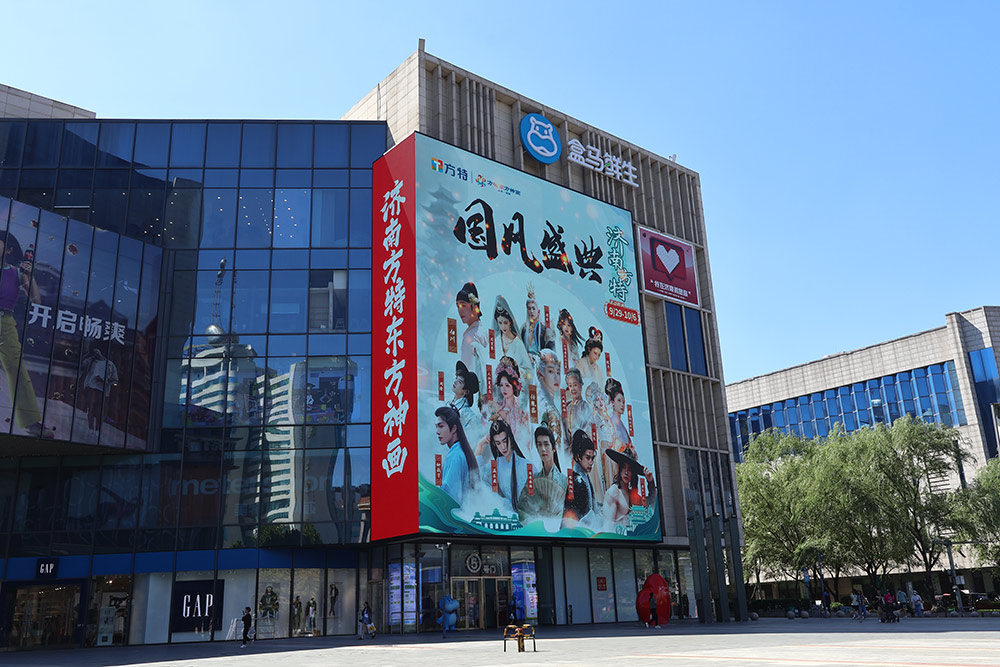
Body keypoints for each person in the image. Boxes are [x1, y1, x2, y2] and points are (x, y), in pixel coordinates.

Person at [0, 232, 52, 439]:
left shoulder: (16, 273)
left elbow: (36, 300)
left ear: (9, 249)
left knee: (16, 370)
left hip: (5, 322)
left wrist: (29, 277)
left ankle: (31, 422)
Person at [517, 425, 568, 522]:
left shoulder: (564, 481)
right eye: (539, 445)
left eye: (546, 444)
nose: (543, 449)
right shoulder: (532, 480)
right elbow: (523, 510)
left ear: (554, 448)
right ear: (537, 448)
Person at [435, 405, 480, 504]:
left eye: (441, 426)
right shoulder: (461, 451)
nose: (437, 432)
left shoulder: (455, 456)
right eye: (436, 427)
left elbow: (449, 497)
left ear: (454, 428)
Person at [602, 448, 655, 531]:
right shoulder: (613, 492)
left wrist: (650, 482)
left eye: (630, 469)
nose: (626, 472)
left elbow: (652, 506)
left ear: (633, 473)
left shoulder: (632, 495)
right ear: (620, 469)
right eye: (623, 467)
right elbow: (607, 526)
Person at [483, 419, 529, 513]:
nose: (503, 447)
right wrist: (480, 445)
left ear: (510, 438)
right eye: (498, 443)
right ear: (494, 444)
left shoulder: (527, 466)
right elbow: (482, 489)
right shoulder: (491, 469)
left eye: (505, 441)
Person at [562, 429, 599, 529]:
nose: (591, 462)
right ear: (578, 456)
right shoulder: (577, 480)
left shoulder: (583, 477)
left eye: (592, 458)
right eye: (587, 458)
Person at [493, 295, 533, 383]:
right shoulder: (495, 342)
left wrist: (515, 371)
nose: (503, 326)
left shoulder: (518, 343)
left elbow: (529, 371)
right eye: (500, 323)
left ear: (510, 322)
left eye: (505, 322)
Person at [81, 347, 119, 435]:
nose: (96, 353)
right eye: (94, 352)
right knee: (90, 406)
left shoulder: (110, 364)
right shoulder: (91, 361)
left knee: (99, 409)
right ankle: (90, 427)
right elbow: (82, 362)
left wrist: (106, 381)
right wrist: (88, 354)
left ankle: (98, 428)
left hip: (103, 388)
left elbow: (115, 379)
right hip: (91, 385)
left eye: (97, 351)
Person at [456, 282, 486, 378]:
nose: (460, 310)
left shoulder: (470, 336)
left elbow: (466, 372)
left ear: (474, 307)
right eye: (458, 306)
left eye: (463, 305)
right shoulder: (482, 331)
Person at [519, 283, 554, 360]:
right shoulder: (524, 328)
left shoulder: (544, 328)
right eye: (529, 308)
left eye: (533, 308)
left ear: (538, 311)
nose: (531, 311)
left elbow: (551, 350)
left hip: (540, 362)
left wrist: (538, 357)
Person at [449, 360, 480, 435]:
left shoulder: (468, 415)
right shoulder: (449, 404)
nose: (455, 382)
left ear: (466, 392)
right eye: (456, 378)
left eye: (459, 382)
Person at [563, 369, 592, 448]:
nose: (573, 389)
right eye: (570, 386)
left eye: (575, 385)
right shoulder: (567, 406)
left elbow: (587, 428)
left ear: (581, 384)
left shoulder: (585, 407)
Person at [535, 349, 562, 416]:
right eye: (550, 371)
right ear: (540, 373)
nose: (556, 377)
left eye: (558, 372)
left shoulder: (552, 402)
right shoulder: (542, 405)